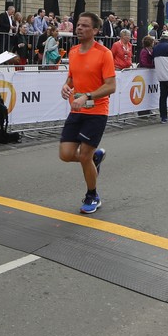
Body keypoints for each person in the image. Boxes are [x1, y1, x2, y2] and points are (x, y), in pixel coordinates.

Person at [59, 12, 116, 214]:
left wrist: (88, 96)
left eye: (85, 25)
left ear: (95, 30)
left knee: (84, 156)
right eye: (78, 25)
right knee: (66, 155)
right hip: (77, 110)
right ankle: (95, 158)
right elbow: (71, 78)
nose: (79, 28)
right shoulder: (73, 51)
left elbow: (111, 86)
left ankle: (92, 195)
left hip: (97, 111)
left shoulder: (104, 53)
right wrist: (66, 87)